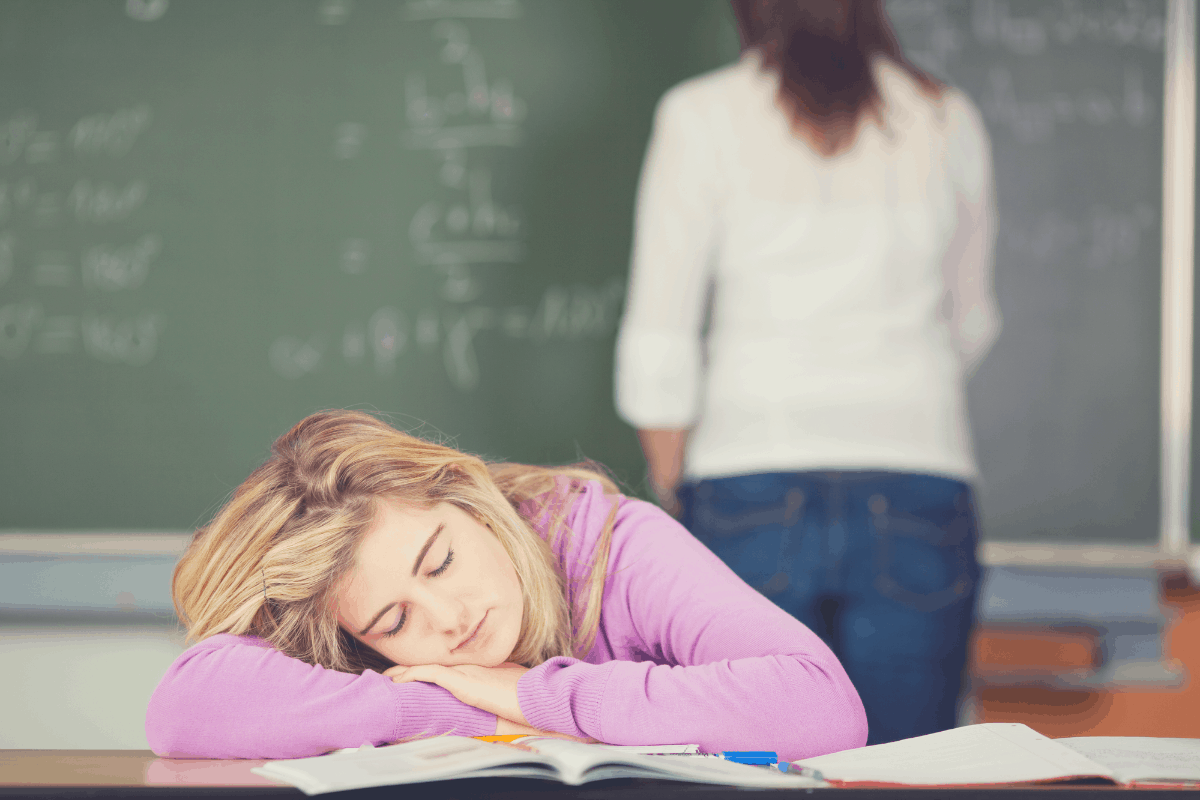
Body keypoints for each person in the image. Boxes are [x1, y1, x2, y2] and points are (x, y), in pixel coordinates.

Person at [614, 0, 1000, 746]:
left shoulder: (700, 115)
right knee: (910, 766)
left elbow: (659, 338)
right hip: (918, 472)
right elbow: (971, 319)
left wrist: (678, 489)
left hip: (744, 477)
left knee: (751, 761)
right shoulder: (944, 116)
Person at [145, 409, 867, 760]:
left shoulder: (608, 541)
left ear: (471, 502)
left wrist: (532, 694)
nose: (448, 619)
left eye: (441, 561)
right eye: (394, 622)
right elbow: (182, 708)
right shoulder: (342, 615)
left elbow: (822, 707)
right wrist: (455, 712)